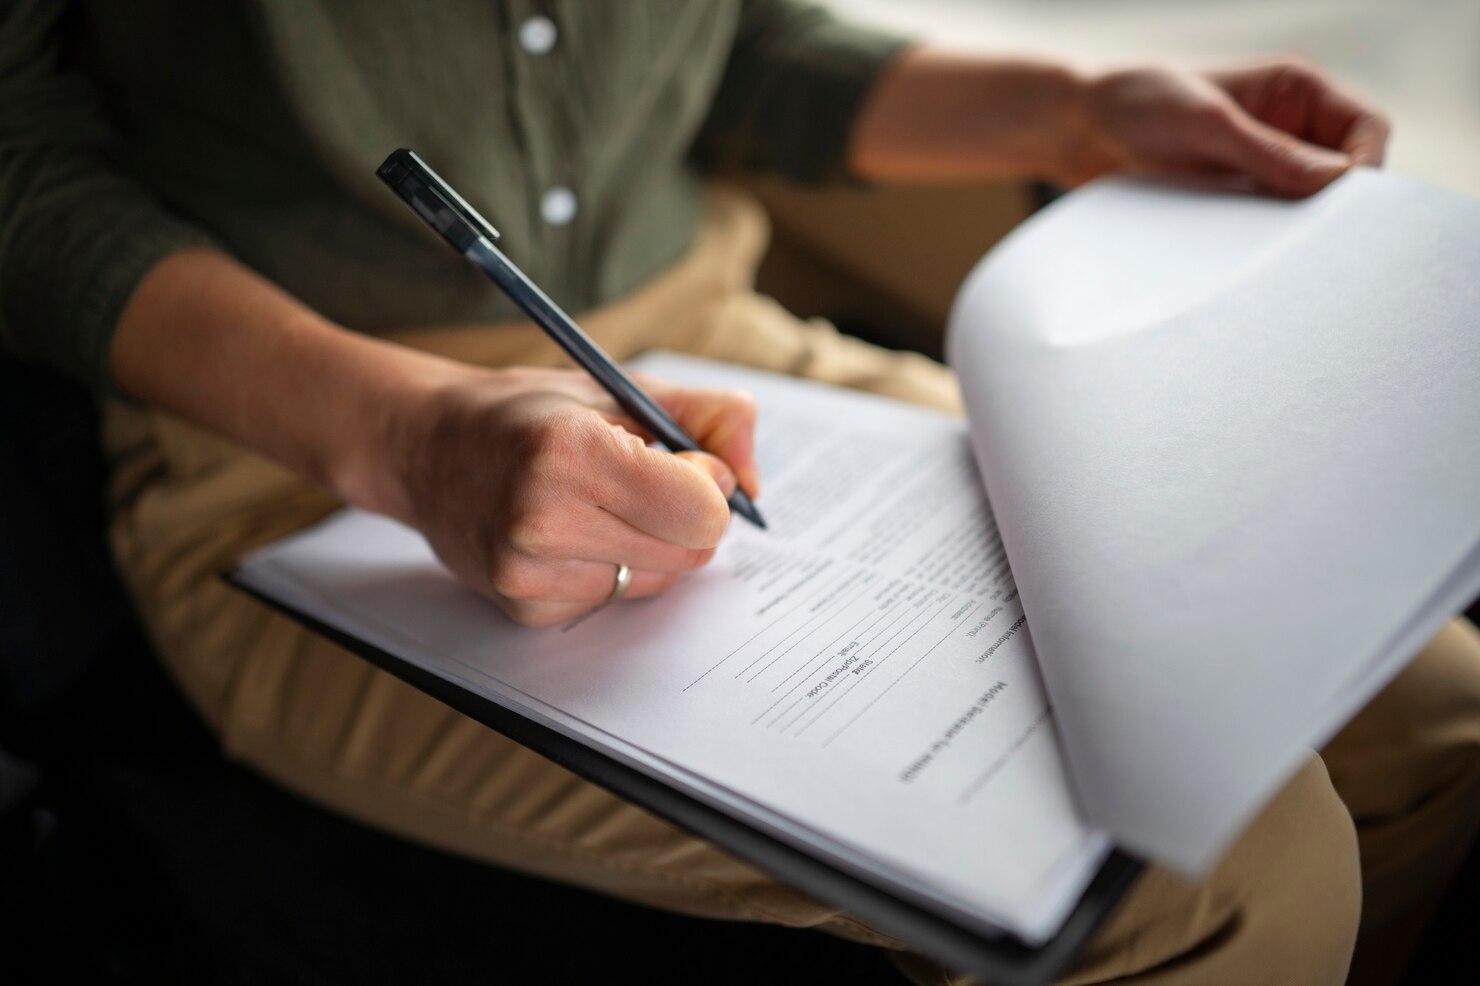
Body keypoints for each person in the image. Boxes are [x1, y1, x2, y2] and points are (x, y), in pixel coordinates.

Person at [3, 1, 1477, 983]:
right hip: (296, 445)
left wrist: (1077, 111)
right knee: (1233, 887)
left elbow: (732, 45)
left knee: (1435, 713)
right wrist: (411, 442)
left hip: (718, 345)